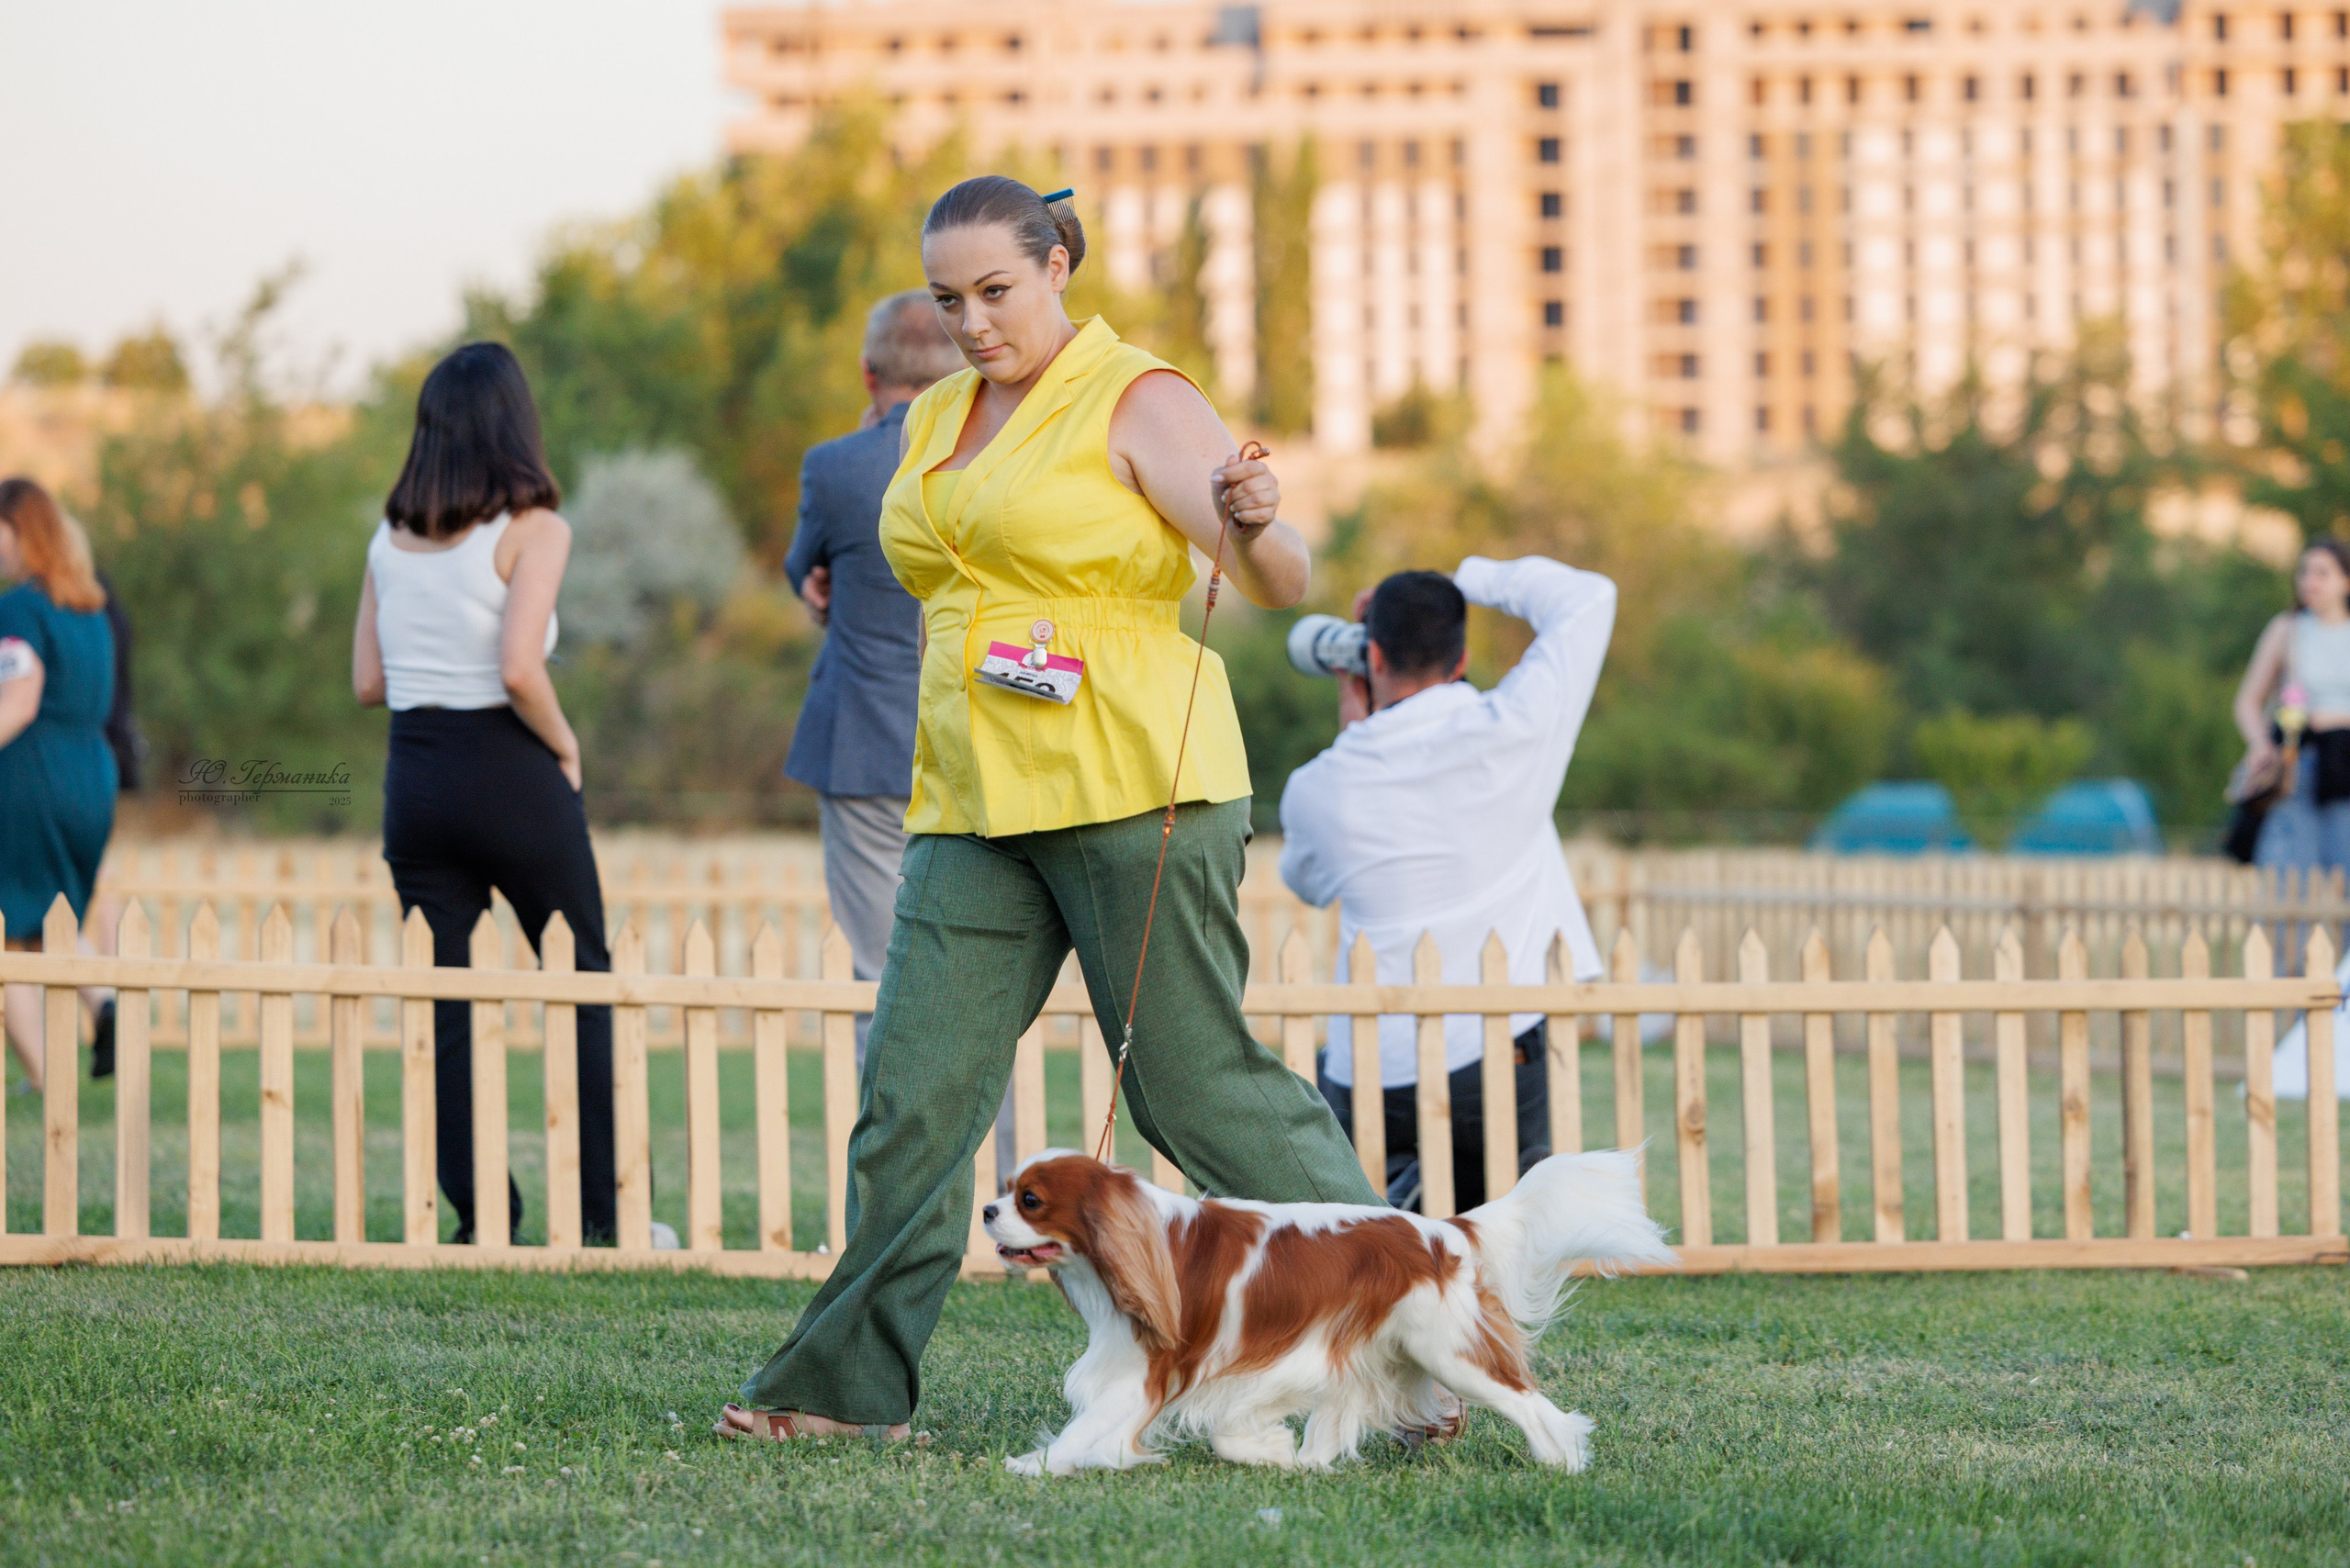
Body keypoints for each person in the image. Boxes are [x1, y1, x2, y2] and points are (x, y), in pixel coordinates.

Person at [718, 176, 1382, 1443]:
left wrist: (1257, 523)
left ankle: (1399, 1333)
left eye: (995, 291)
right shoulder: (935, 418)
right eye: (947, 300)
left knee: (1195, 1088)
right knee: (912, 1095)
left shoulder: (1138, 396)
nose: (971, 323)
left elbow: (1277, 572)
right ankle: (846, 1393)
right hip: (970, 791)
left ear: (1057, 266)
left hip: (1134, 778)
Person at [352, 342, 654, 1248]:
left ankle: (482, 1215)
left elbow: (368, 682)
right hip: (509, 774)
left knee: (446, 998)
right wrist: (565, 745)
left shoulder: (388, 537)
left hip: (415, 779)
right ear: (516, 424)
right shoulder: (536, 529)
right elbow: (520, 666)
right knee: (582, 979)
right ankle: (602, 1215)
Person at [1278, 556, 1617, 1212]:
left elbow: (1309, 883)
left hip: (1367, 1070)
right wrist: (1458, 585)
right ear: (1459, 660)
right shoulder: (1515, 728)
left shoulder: (1318, 786)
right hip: (1494, 1060)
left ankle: (1404, 1201)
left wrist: (1354, 735)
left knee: (1357, 1235)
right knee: (1493, 1229)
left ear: (1372, 657)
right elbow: (1590, 595)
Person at [783, 291, 966, 1057]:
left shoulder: (835, 466)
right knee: (975, 981)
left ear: (868, 372)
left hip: (861, 743)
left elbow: (803, 568)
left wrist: (819, 587)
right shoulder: (994, 456)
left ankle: (893, 1133)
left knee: (877, 971)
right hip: (971, 744)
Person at [0, 477, 118, 1093]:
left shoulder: (20, 608)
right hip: (91, 773)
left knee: (11, 933)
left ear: (19, 532)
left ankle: (50, 1083)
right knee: (52, 915)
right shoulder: (90, 608)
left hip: (33, 776)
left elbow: (19, 702)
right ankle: (106, 1003)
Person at [2234, 539, 2350, 881]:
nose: (2310, 582)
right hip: (2298, 760)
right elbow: (2248, 701)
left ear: (2345, 581)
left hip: (2345, 760)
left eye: (2322, 573)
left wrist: (2336, 719)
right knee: (2288, 870)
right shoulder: (2288, 630)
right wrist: (2260, 745)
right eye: (2304, 572)